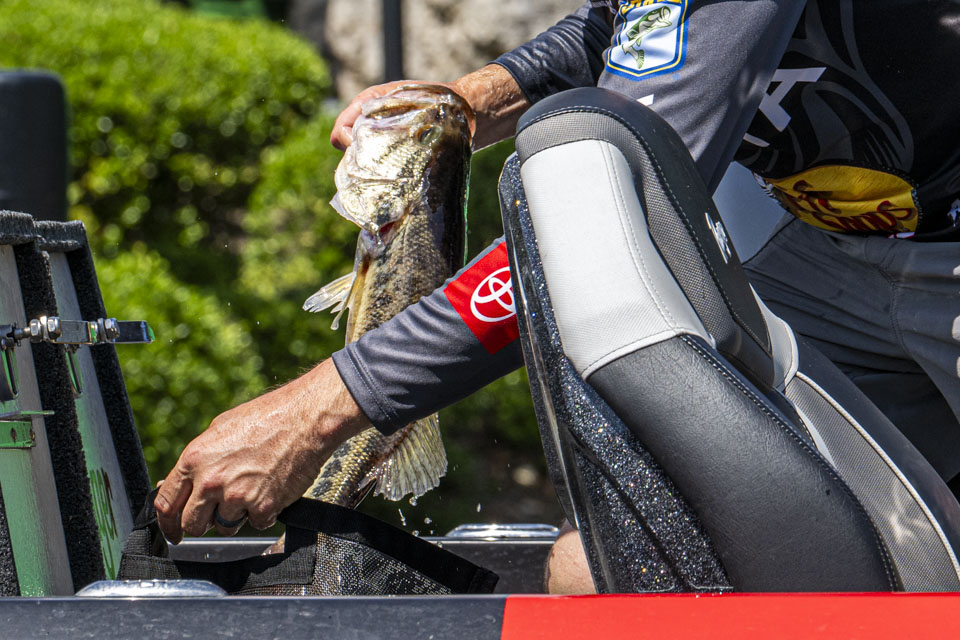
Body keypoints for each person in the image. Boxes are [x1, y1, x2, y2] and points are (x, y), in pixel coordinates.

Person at [155, 0, 960, 590]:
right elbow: (631, 23)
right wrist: (472, 101)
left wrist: (314, 411)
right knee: (610, 568)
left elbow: (593, 230)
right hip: (825, 245)